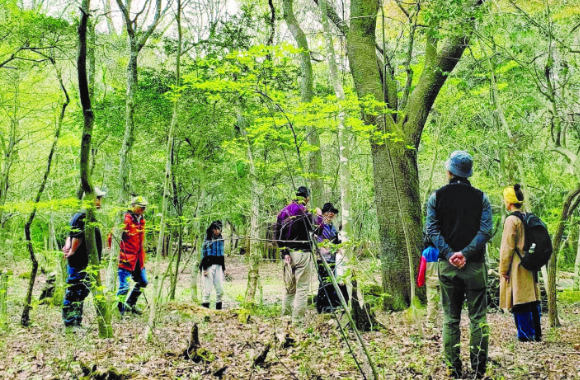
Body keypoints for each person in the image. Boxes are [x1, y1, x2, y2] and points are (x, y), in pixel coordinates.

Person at [426, 150, 493, 379]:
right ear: (468, 173)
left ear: (449, 172)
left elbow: (432, 230)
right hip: (474, 266)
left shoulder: (436, 197)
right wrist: (465, 253)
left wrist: (450, 253)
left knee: (451, 319)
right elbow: (486, 231)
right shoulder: (482, 198)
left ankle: (453, 369)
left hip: (447, 267)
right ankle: (477, 370)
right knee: (478, 319)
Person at [499, 184, 542, 342]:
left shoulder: (511, 220)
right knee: (532, 299)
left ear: (509, 202)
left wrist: (503, 269)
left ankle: (525, 336)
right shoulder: (528, 216)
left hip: (518, 266)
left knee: (520, 299)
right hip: (531, 264)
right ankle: (536, 334)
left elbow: (507, 247)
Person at [62, 187, 106, 328]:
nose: (101, 201)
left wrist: (68, 247)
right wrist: (72, 251)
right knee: (74, 291)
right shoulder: (82, 216)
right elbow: (76, 236)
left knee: (81, 291)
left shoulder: (83, 215)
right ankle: (70, 323)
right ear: (93, 199)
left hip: (84, 263)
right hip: (79, 262)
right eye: (100, 199)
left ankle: (77, 321)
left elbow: (70, 235)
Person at [275, 186, 319, 324]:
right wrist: (319, 216)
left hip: (288, 255)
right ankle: (297, 321)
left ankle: (286, 317)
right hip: (303, 253)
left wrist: (284, 252)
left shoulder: (283, 212)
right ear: (307, 198)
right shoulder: (305, 212)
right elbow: (317, 228)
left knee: (290, 288)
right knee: (302, 289)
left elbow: (277, 234)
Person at [117, 196, 148, 315]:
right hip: (125, 259)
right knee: (124, 286)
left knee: (143, 281)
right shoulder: (126, 220)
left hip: (138, 260)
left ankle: (130, 303)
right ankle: (120, 312)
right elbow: (113, 238)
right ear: (133, 206)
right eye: (141, 206)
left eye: (144, 207)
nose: (143, 209)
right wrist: (120, 255)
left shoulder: (141, 220)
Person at [315, 203, 348, 314]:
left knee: (332, 283)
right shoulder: (319, 227)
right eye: (328, 212)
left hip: (333, 259)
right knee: (324, 282)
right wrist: (326, 249)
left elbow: (337, 242)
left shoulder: (333, 228)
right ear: (323, 213)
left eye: (332, 212)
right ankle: (322, 306)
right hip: (322, 258)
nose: (330, 214)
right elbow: (317, 242)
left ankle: (331, 305)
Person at [200, 220, 226, 310]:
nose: (218, 231)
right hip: (209, 266)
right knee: (207, 290)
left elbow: (222, 254)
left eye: (219, 229)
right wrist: (204, 269)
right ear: (213, 229)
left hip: (218, 266)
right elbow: (203, 254)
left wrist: (224, 268)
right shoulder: (208, 238)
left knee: (220, 290)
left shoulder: (221, 238)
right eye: (217, 229)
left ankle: (219, 310)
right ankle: (204, 311)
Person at [417, 234, 440, 326]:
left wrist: (420, 281)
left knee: (431, 302)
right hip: (442, 280)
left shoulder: (426, 253)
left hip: (431, 281)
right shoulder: (442, 251)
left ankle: (431, 322)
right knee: (444, 301)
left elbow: (422, 269)